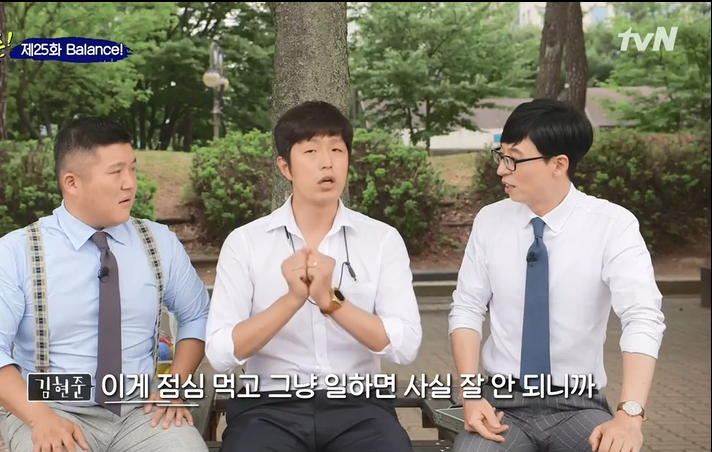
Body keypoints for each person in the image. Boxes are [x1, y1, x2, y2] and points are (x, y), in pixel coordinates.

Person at [0, 117, 211, 452]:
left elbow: (198, 315)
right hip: (50, 408)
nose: (130, 183)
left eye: (132, 169)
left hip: (142, 410)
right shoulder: (16, 251)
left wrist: (173, 384)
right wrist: (39, 418)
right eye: (116, 172)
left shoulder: (159, 242)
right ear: (72, 182)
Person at [448, 98, 666, 452]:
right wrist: (471, 396)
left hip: (577, 405)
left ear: (558, 164)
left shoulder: (613, 226)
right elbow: (467, 309)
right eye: (500, 155)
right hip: (501, 403)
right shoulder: (490, 221)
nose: (501, 169)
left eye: (514, 158)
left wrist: (630, 414)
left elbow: (642, 316)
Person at [204, 100, 423, 452]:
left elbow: (406, 345)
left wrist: (331, 301)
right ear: (285, 167)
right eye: (310, 151)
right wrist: (291, 300)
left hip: (360, 406)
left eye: (337, 149)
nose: (327, 162)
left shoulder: (382, 239)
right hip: (268, 407)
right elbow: (220, 353)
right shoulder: (245, 243)